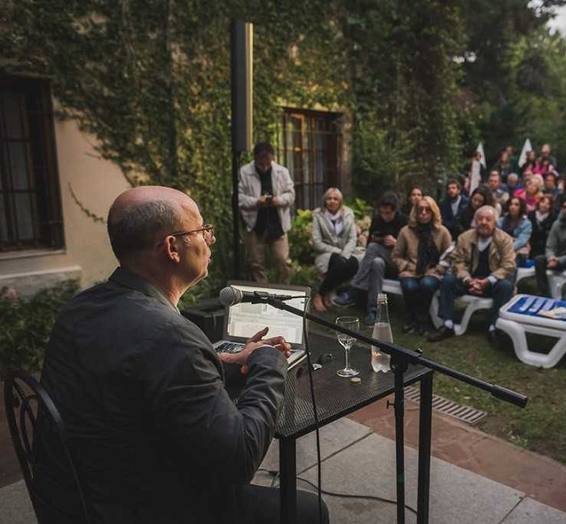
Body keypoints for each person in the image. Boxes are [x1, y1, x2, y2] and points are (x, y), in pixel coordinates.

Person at [35, 186, 328, 523]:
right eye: (202, 230)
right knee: (309, 511)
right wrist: (270, 363)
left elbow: (128, 371)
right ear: (172, 247)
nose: (210, 239)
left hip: (72, 496)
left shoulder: (79, 309)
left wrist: (222, 361)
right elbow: (239, 459)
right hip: (146, 506)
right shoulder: (171, 338)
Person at [428, 206, 516, 344]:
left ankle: (493, 327)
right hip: (468, 281)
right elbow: (458, 262)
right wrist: (467, 279)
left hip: (492, 283)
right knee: (448, 281)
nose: (484, 222)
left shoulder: (505, 240)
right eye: (480, 219)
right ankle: (448, 324)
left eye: (488, 219)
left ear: (495, 222)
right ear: (475, 221)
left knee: (506, 286)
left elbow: (509, 265)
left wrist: (487, 281)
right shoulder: (464, 237)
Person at [334, 192, 407, 325]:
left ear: (395, 210)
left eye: (388, 213)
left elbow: (410, 249)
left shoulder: (403, 221)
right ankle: (373, 310)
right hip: (380, 259)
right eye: (382, 213)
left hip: (397, 262)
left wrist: (396, 243)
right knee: (376, 263)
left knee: (373, 248)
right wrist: (379, 239)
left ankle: (354, 289)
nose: (385, 216)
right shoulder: (378, 219)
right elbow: (369, 243)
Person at [392, 196, 452, 335]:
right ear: (415, 212)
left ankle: (422, 321)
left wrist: (439, 268)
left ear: (433, 212)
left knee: (426, 284)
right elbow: (396, 256)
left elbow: (450, 256)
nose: (424, 213)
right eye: (420, 210)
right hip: (410, 271)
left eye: (428, 210)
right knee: (410, 286)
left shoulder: (442, 231)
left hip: (432, 271)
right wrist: (407, 266)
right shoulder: (405, 231)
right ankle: (411, 319)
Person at [238, 141, 295, 283]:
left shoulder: (282, 171)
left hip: (277, 223)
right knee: (256, 264)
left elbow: (291, 195)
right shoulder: (245, 172)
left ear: (272, 158)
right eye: (261, 164)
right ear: (255, 159)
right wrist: (257, 201)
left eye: (268, 163)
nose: (264, 167)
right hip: (255, 224)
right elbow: (238, 198)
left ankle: (283, 293)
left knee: (283, 261)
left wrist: (278, 200)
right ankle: (263, 296)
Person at [311, 188, 360, 312]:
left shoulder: (348, 213)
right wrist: (338, 251)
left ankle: (326, 291)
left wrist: (345, 253)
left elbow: (352, 239)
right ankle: (320, 295)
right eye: (329, 198)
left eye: (335, 199)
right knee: (339, 262)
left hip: (346, 252)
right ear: (325, 201)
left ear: (340, 201)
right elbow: (316, 242)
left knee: (353, 263)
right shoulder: (318, 214)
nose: (332, 201)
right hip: (325, 253)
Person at [498, 196, 533, 265]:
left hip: (517, 250)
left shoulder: (526, 223)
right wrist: (512, 239)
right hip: (501, 248)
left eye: (516, 205)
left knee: (512, 259)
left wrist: (507, 248)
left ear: (521, 207)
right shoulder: (501, 221)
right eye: (511, 204)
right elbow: (497, 237)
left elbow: (521, 241)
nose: (513, 207)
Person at [528, 194, 557, 259]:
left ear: (550, 206)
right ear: (539, 203)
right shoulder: (531, 215)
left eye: (548, 204)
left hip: (545, 246)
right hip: (532, 244)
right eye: (543, 202)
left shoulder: (553, 217)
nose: (544, 205)